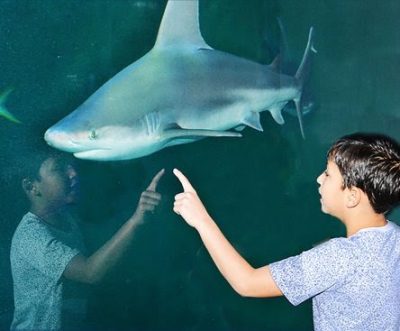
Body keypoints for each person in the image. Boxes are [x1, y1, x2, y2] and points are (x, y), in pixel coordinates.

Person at [173, 132, 400, 331]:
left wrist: (201, 219)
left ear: (352, 196)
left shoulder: (339, 257)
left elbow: (247, 283)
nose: (319, 178)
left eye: (329, 174)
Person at [10, 146, 164, 331]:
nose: (73, 173)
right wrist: (136, 220)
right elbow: (89, 272)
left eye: (71, 166)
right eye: (59, 168)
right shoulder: (31, 236)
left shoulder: (65, 218)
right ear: (31, 186)